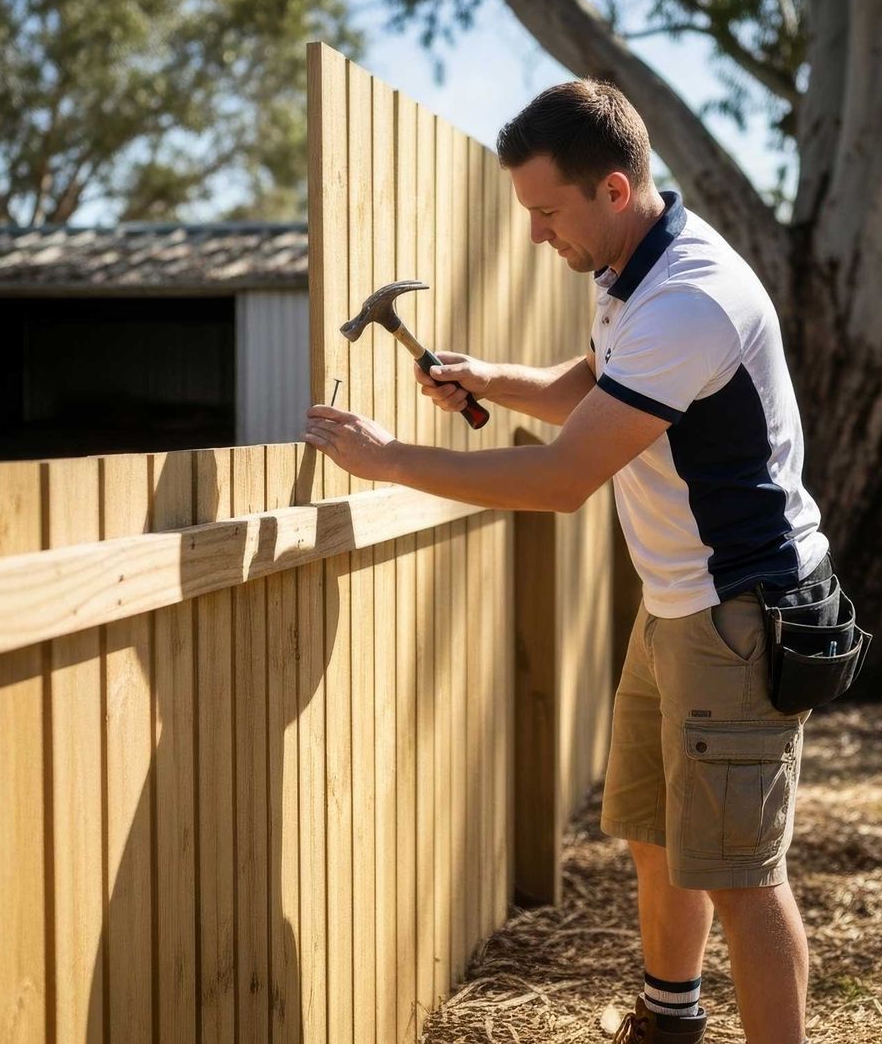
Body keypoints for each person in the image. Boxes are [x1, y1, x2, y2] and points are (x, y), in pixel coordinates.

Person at [303, 79, 833, 1044]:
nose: (539, 235)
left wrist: (384, 461)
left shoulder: (691, 301)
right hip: (678, 602)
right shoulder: (629, 272)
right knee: (655, 830)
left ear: (617, 191)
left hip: (744, 611)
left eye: (548, 212)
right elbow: (598, 384)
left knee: (745, 876)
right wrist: (488, 376)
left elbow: (561, 479)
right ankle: (669, 1022)